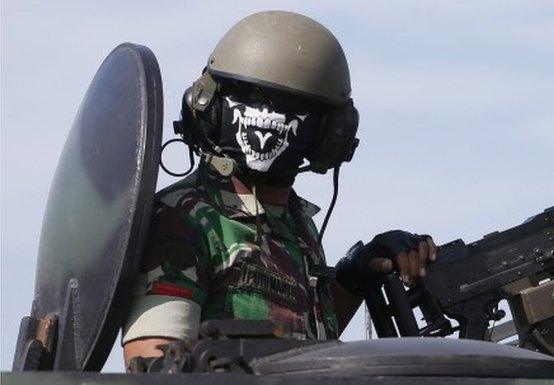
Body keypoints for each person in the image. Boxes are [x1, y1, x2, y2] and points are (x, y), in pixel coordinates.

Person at [122, 10, 434, 361]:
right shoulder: (183, 219)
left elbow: (307, 351)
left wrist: (351, 280)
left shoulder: (296, 225)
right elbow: (154, 368)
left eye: (284, 105)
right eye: (250, 96)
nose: (265, 118)